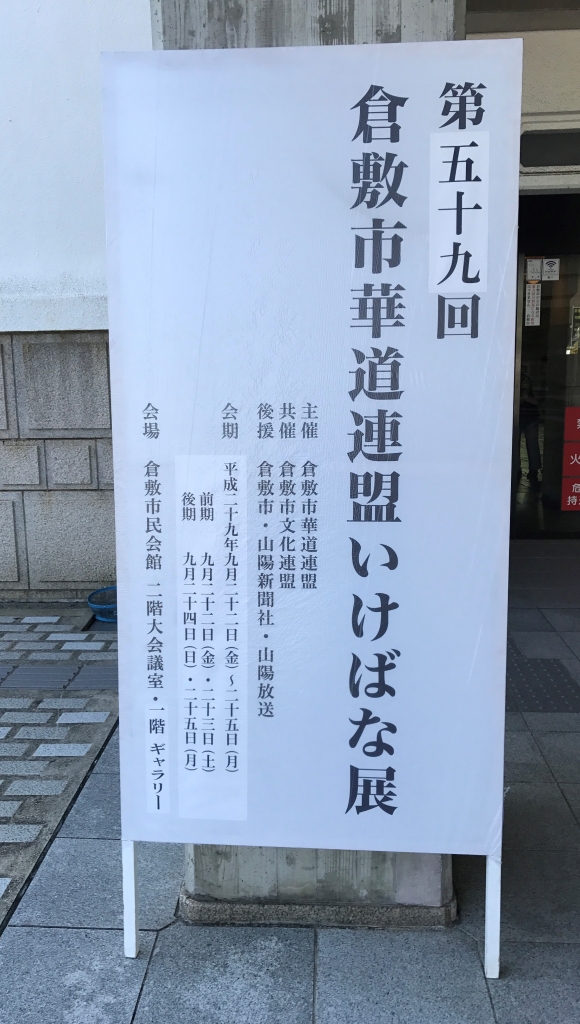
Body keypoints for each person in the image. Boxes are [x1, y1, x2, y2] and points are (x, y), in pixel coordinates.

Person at [519, 364, 542, 482]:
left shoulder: (520, 379)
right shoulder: (528, 379)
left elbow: (527, 398)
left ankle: (518, 468)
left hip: (523, 416)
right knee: (532, 444)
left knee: (516, 444)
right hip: (530, 416)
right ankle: (533, 469)